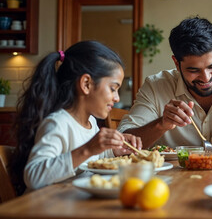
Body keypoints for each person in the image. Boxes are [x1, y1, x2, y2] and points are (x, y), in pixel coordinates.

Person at [11, 41, 142, 194]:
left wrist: (114, 150)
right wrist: (87, 149)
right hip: (47, 208)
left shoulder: (91, 122)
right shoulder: (57, 123)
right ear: (86, 84)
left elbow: (91, 160)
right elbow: (33, 176)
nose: (117, 98)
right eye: (113, 89)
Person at [118, 17, 212, 148]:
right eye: (194, 70)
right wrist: (161, 124)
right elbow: (122, 142)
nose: (206, 78)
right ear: (176, 63)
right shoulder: (156, 86)